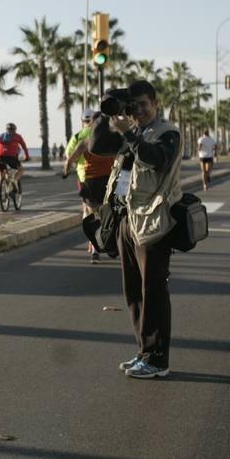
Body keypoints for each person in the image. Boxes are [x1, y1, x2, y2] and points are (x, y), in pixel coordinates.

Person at [107, 80, 182, 379]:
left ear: (155, 103)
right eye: (133, 105)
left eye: (143, 104)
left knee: (153, 290)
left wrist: (130, 133)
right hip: (129, 217)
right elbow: (100, 148)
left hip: (155, 220)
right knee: (134, 292)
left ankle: (158, 359)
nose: (138, 110)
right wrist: (110, 115)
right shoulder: (133, 133)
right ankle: (144, 352)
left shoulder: (168, 133)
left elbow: (156, 160)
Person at [64, 110, 119, 262]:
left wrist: (65, 172)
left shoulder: (85, 142)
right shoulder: (112, 140)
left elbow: (70, 160)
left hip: (90, 182)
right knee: (109, 212)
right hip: (108, 182)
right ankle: (111, 243)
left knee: (92, 214)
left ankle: (95, 248)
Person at [0, 122, 30, 191]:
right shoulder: (17, 136)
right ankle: (15, 180)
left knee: (0, 175)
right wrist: (27, 157)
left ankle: (1, 188)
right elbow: (24, 147)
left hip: (0, 157)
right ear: (15, 130)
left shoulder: (1, 136)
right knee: (21, 170)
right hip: (12, 158)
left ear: (6, 129)